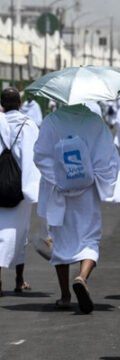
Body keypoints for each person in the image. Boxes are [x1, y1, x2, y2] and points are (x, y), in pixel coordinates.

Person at [34, 103, 120, 313]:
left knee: (60, 240)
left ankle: (65, 295)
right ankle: (82, 277)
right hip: (87, 192)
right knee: (89, 237)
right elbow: (107, 158)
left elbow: (40, 156)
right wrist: (98, 180)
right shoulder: (95, 122)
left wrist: (59, 178)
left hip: (58, 192)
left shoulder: (51, 121)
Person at [0, 88, 40, 295]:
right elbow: (34, 156)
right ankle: (19, 279)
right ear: (20, 102)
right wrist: (33, 189)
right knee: (20, 233)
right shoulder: (28, 125)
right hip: (20, 187)